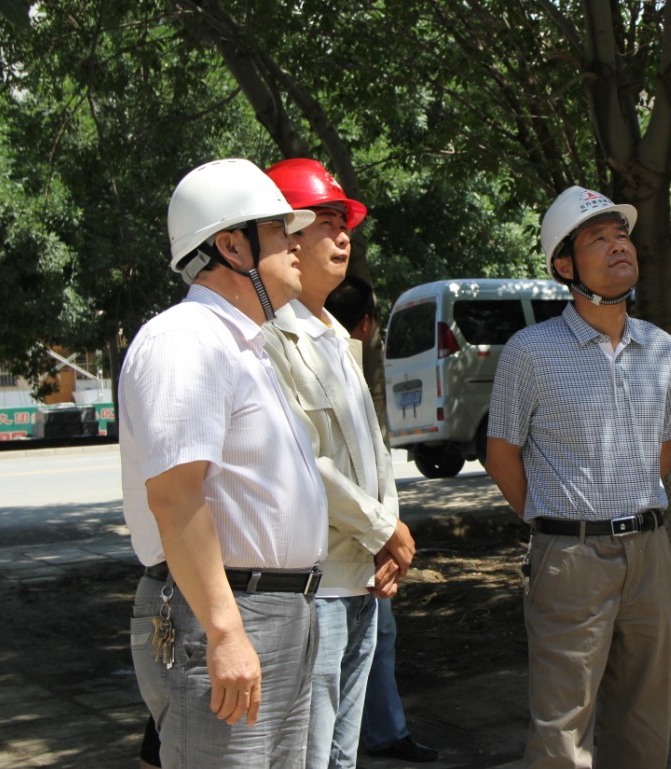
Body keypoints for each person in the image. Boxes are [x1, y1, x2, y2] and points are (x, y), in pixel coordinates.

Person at [119, 158, 327, 768]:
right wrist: (225, 631)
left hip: (274, 612)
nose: (297, 242)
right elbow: (175, 496)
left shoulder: (243, 346)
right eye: (279, 229)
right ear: (232, 246)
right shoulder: (187, 339)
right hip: (228, 612)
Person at [484, 185, 671, 769]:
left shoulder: (660, 347)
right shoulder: (530, 351)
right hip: (570, 559)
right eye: (598, 238)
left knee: (645, 720)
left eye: (621, 234)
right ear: (565, 265)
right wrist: (557, 524)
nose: (618, 245)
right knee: (563, 730)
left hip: (650, 554)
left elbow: (665, 447)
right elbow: (502, 456)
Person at [261, 158, 416, 769]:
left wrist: (387, 539)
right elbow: (303, 459)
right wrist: (384, 529)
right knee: (309, 751)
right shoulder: (268, 337)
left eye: (344, 223)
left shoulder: (338, 338)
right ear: (285, 236)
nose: (343, 236)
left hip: (362, 579)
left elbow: (372, 453)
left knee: (342, 755)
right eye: (326, 221)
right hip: (314, 585)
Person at [325, 276, 440, 764]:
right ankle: (384, 731)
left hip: (370, 551)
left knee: (373, 645)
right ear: (369, 324)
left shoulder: (346, 365)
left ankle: (386, 730)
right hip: (328, 566)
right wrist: (384, 531)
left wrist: (387, 537)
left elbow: (375, 471)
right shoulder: (303, 357)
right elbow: (318, 470)